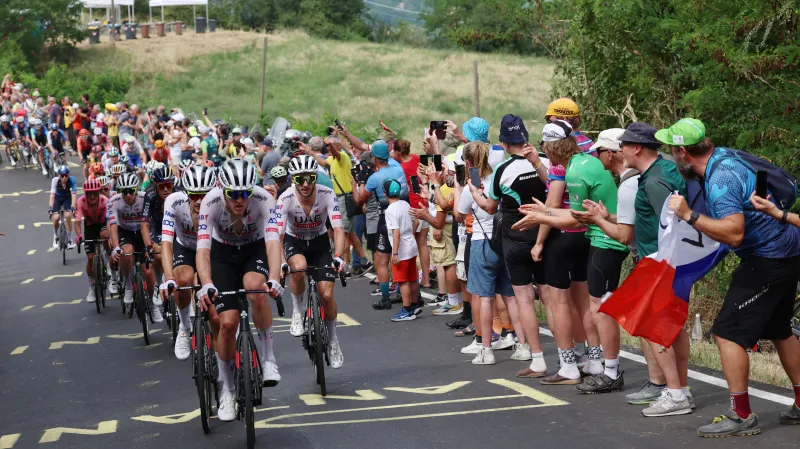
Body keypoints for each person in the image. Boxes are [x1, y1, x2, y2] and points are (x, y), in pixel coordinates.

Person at [658, 118, 800, 436]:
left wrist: (688, 215)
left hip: (767, 260)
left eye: (671, 148)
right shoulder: (725, 154)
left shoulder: (719, 178)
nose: (670, 154)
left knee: (727, 334)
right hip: (788, 250)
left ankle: (742, 416)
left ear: (682, 151)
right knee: (779, 329)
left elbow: (734, 234)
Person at [196, 159, 284, 422]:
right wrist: (206, 283)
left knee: (256, 289)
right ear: (223, 190)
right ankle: (227, 388)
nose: (240, 200)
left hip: (253, 249)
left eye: (245, 193)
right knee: (227, 325)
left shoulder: (263, 200)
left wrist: (275, 277)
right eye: (233, 194)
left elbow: (272, 243)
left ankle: (268, 360)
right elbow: (202, 250)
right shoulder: (210, 203)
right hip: (222, 254)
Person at [617, 122, 692, 415]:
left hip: (660, 262)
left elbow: (671, 223)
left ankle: (675, 394)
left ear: (637, 147)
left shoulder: (654, 181)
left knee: (653, 327)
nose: (620, 150)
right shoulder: (662, 169)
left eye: (623, 144)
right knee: (673, 327)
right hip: (668, 261)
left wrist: (662, 265)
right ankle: (681, 389)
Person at [468, 114, 549, 378]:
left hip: (515, 239)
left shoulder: (502, 171)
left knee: (523, 299)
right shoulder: (544, 163)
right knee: (552, 301)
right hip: (547, 236)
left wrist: (475, 194)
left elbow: (490, 207)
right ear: (525, 137)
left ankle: (533, 355)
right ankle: (571, 359)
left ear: (503, 143)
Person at [277, 155, 348, 367]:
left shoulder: (327, 194)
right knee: (297, 269)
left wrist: (338, 256)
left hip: (319, 243)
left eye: (309, 178)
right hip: (294, 241)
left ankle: (333, 339)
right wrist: (282, 263)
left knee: (327, 294)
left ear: (315, 177)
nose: (305, 184)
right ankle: (298, 312)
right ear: (293, 180)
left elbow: (338, 229)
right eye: (300, 179)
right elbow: (278, 237)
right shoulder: (285, 199)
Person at [453, 141, 518, 365]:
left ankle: (486, 348)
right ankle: (523, 344)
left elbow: (459, 215)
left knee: (485, 297)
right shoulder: (498, 180)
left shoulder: (473, 186)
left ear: (468, 162)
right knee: (509, 295)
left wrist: (458, 186)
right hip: (504, 241)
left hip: (482, 241)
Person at [160, 164, 217, 361]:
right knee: (182, 280)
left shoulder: (220, 202)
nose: (199, 201)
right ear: (185, 193)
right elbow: (166, 242)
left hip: (211, 247)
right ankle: (184, 327)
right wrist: (169, 278)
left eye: (204, 196)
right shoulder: (174, 202)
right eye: (194, 196)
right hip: (185, 245)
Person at [352, 140, 410, 310]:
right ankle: (408, 294)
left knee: (382, 258)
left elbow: (360, 199)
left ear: (374, 158)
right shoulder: (398, 167)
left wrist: (358, 181)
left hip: (387, 218)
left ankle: (385, 297)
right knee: (405, 255)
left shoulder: (375, 178)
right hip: (405, 214)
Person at [141, 166, 177, 324]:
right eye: (161, 186)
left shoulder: (179, 192)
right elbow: (144, 225)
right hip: (157, 226)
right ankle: (157, 285)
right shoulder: (149, 195)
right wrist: (148, 245)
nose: (165, 189)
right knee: (158, 252)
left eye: (168, 185)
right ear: (154, 185)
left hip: (175, 226)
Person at [108, 173, 151, 308]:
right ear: (120, 191)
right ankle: (128, 286)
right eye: (124, 192)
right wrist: (115, 247)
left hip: (141, 231)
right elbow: (113, 226)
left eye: (131, 191)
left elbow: (149, 223)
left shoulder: (145, 198)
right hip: (124, 231)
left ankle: (154, 302)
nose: (128, 195)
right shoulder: (114, 201)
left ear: (137, 188)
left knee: (148, 268)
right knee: (126, 253)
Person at [383, 179, 420, 322]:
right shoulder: (405, 204)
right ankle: (414, 304)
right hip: (411, 244)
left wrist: (395, 253)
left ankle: (407, 309)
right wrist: (411, 234)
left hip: (402, 249)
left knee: (402, 280)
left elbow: (396, 232)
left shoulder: (390, 211)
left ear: (385, 194)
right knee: (412, 278)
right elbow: (415, 221)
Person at [74, 179, 109, 304]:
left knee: (105, 236)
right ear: (85, 194)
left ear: (99, 192)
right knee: (90, 257)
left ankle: (110, 266)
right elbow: (77, 221)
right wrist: (78, 236)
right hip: (89, 226)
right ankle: (91, 288)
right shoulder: (81, 201)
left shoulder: (105, 201)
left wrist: (108, 232)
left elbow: (110, 220)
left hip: (103, 223)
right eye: (89, 194)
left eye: (95, 193)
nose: (92, 196)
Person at [49, 165, 78, 249]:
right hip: (57, 198)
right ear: (59, 175)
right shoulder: (55, 180)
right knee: (56, 217)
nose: (64, 178)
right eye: (62, 176)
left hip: (67, 198)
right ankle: (55, 235)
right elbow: (52, 196)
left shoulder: (72, 180)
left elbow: (73, 195)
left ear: (68, 175)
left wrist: (72, 207)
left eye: (66, 175)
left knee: (68, 215)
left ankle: (69, 238)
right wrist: (51, 207)